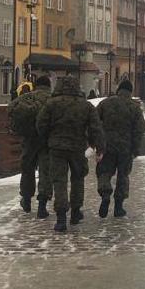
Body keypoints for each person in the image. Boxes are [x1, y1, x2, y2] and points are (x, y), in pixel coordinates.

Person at [36, 75, 106, 232]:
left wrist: (47, 140)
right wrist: (99, 148)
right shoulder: (86, 106)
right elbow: (96, 128)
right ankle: (75, 212)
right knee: (77, 178)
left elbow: (41, 124)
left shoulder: (51, 104)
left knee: (59, 181)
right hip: (78, 148)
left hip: (57, 148)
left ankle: (61, 218)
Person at [95, 80, 145, 218]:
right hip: (126, 148)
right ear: (130, 91)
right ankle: (118, 207)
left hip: (107, 146)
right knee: (123, 176)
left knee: (104, 172)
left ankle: (105, 194)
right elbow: (139, 129)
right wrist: (135, 149)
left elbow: (94, 122)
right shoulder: (134, 107)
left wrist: (97, 142)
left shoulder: (105, 103)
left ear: (118, 90)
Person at [7, 75, 54, 217]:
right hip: (47, 140)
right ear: (49, 86)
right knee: (46, 171)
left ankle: (26, 199)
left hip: (29, 139)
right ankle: (42, 204)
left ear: (36, 85)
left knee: (27, 169)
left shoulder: (27, 97)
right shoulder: (53, 99)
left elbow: (10, 107)